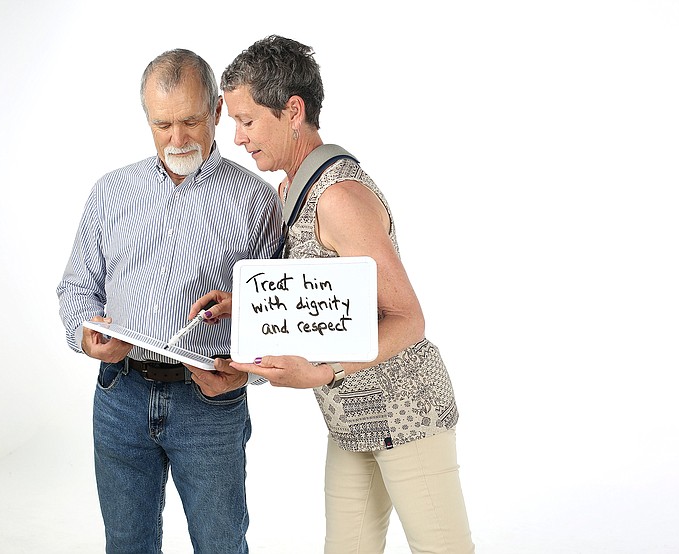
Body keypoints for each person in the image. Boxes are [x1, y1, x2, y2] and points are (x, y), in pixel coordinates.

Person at [186, 36, 475, 553]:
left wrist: (324, 371)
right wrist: (247, 307)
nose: (237, 138)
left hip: (407, 413)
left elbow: (408, 319)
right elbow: (315, 303)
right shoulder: (288, 188)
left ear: (293, 111)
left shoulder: (339, 197)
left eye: (247, 121)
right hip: (349, 420)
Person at [56, 48, 282, 554]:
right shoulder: (110, 193)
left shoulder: (258, 202)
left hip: (210, 404)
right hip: (120, 394)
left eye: (190, 121)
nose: (176, 140)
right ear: (147, 120)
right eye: (162, 125)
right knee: (127, 545)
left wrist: (249, 373)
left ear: (218, 112)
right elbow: (76, 288)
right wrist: (86, 336)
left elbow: (277, 319)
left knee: (221, 544)